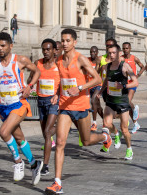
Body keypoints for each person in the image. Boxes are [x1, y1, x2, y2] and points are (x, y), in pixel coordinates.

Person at [45, 29, 112, 194]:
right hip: (65, 106)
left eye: (68, 40)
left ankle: (105, 136)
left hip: (81, 106)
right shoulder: (59, 61)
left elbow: (97, 79)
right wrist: (55, 94)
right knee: (60, 143)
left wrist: (80, 88)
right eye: (63, 41)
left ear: (74, 42)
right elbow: (62, 81)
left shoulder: (81, 59)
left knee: (86, 140)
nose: (65, 44)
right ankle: (57, 183)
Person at [0, 32, 43, 185]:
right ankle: (34, 164)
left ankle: (18, 162)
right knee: (18, 138)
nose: (0, 48)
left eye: (3, 45)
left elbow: (37, 71)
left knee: (3, 132)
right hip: (3, 106)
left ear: (11, 46)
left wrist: (29, 87)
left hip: (19, 104)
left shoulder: (20, 60)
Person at [97, 43, 138, 160]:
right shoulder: (108, 66)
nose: (111, 55)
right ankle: (116, 133)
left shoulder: (125, 67)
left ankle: (129, 149)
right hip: (110, 101)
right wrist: (101, 91)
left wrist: (123, 85)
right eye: (109, 53)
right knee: (107, 123)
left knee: (125, 129)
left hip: (122, 101)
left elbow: (135, 82)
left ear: (119, 53)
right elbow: (106, 80)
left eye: (114, 53)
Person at [28, 39, 59, 176]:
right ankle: (62, 126)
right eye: (44, 49)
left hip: (54, 101)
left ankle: (45, 165)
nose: (46, 52)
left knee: (47, 132)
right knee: (45, 134)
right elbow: (30, 79)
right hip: (41, 101)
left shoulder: (59, 64)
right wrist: (29, 83)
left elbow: (64, 83)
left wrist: (57, 94)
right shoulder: (37, 63)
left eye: (48, 49)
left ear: (54, 50)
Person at [121, 42, 145, 133]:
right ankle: (136, 124)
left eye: (127, 48)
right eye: (124, 48)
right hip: (124, 84)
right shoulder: (121, 58)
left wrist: (137, 75)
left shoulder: (134, 58)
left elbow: (143, 66)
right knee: (127, 104)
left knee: (127, 101)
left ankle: (135, 109)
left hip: (132, 84)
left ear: (130, 48)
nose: (125, 50)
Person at [88, 46, 103, 131]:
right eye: (91, 52)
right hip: (90, 85)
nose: (92, 54)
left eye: (94, 52)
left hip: (98, 85)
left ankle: (94, 123)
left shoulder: (99, 61)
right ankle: (106, 120)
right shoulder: (87, 60)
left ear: (97, 53)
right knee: (98, 106)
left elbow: (99, 73)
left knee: (93, 100)